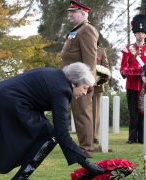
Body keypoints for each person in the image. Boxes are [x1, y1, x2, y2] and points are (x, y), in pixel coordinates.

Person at [0, 62, 105, 180]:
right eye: (85, 87)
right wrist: (86, 163)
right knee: (49, 133)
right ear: (74, 83)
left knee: (45, 131)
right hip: (9, 100)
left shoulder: (56, 77)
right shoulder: (62, 90)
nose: (85, 93)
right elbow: (62, 133)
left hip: (1, 94)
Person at [60, 1, 98, 157]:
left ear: (83, 14)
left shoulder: (87, 30)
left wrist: (88, 83)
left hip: (80, 83)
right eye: (70, 11)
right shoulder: (77, 30)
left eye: (73, 12)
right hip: (71, 81)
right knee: (78, 115)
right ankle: (82, 148)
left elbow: (90, 59)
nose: (70, 14)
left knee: (83, 115)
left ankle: (86, 150)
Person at [120, 14, 146, 144]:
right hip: (131, 85)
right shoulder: (128, 49)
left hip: (144, 85)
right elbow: (123, 69)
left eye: (142, 33)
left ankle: (141, 136)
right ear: (135, 34)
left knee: (143, 111)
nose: (140, 35)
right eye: (138, 33)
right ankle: (132, 136)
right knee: (132, 111)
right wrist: (137, 72)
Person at [93, 44, 111, 144]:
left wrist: (101, 76)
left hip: (97, 87)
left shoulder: (101, 51)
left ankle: (94, 136)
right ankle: (85, 134)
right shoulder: (82, 48)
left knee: (95, 113)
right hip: (83, 86)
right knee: (84, 112)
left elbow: (106, 67)